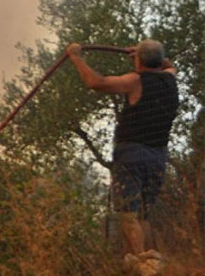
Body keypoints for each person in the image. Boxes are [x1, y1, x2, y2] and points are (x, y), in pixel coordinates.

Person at [65, 40, 179, 254]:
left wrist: (76, 58)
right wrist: (146, 55)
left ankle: (140, 262)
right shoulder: (170, 78)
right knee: (144, 214)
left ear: (139, 61)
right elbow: (169, 64)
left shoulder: (135, 81)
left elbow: (96, 83)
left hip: (132, 154)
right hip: (158, 156)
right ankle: (149, 261)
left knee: (128, 212)